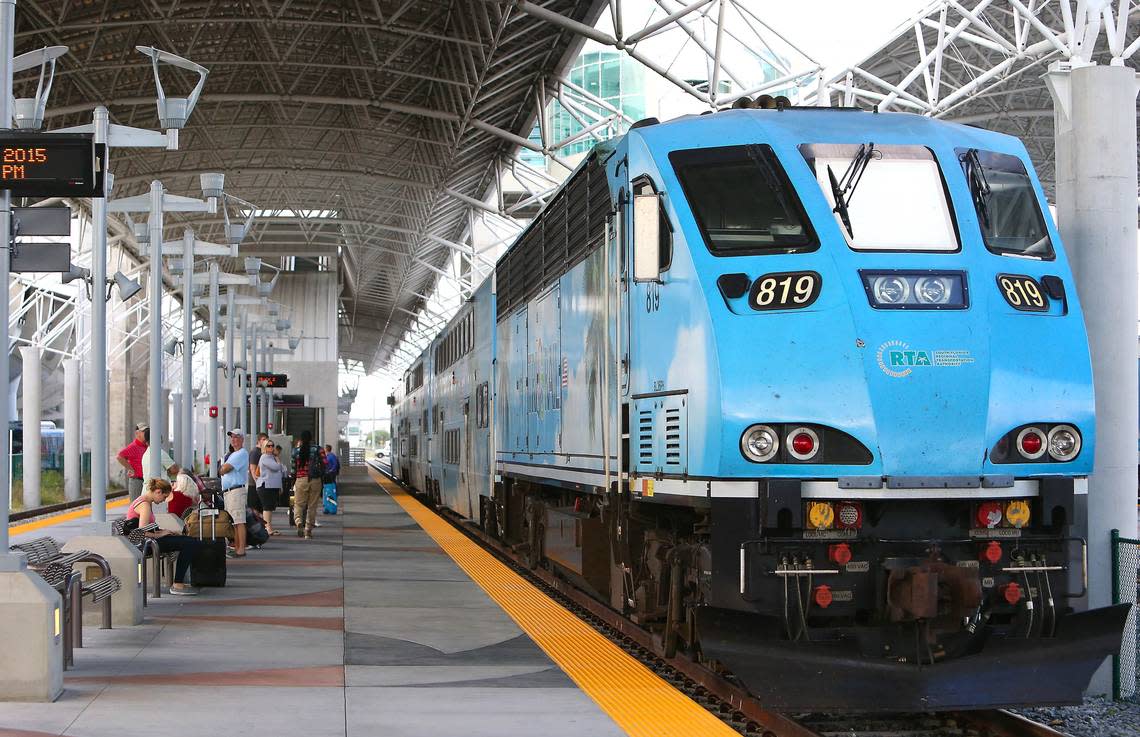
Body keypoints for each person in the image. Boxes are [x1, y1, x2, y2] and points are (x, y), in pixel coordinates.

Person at [127, 478, 202, 596]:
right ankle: (177, 583)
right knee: (190, 543)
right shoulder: (144, 505)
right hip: (145, 544)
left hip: (148, 541)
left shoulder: (144, 502)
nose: (164, 500)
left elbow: (146, 529)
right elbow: (141, 532)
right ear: (158, 492)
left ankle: (178, 582)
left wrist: (166, 532)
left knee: (189, 541)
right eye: (164, 497)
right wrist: (161, 534)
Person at [218, 428, 249, 557]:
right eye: (232, 437)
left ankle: (241, 548)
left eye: (236, 437)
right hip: (229, 491)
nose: (234, 439)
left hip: (236, 490)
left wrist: (223, 468)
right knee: (234, 521)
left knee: (239, 521)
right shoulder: (231, 454)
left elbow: (224, 469)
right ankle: (237, 547)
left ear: (242, 439)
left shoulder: (241, 453)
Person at [292, 431, 324, 539]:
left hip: (301, 480)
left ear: (300, 439)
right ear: (311, 438)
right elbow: (325, 463)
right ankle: (308, 530)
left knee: (299, 504)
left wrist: (293, 482)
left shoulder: (296, 451)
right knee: (312, 506)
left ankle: (298, 521)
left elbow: (293, 469)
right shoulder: (318, 449)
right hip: (315, 480)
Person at [257, 443, 285, 535]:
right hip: (266, 485)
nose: (271, 447)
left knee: (270, 507)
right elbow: (276, 467)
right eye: (268, 446)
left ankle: (269, 527)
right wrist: (278, 460)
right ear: (264, 447)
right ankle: (267, 528)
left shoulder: (271, 457)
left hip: (272, 486)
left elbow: (283, 470)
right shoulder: (265, 457)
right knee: (267, 507)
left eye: (272, 445)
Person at [116, 423, 148, 500]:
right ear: (137, 433)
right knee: (136, 505)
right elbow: (120, 457)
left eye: (147, 431)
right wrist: (131, 469)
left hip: (146, 480)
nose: (146, 433)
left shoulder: (147, 446)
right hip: (137, 481)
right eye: (144, 431)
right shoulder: (133, 446)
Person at [248, 432, 268, 514]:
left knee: (261, 508)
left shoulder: (264, 452)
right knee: (255, 507)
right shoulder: (255, 452)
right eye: (263, 440)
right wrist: (257, 482)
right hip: (254, 485)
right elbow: (252, 468)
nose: (265, 442)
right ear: (259, 441)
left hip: (262, 484)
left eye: (266, 440)